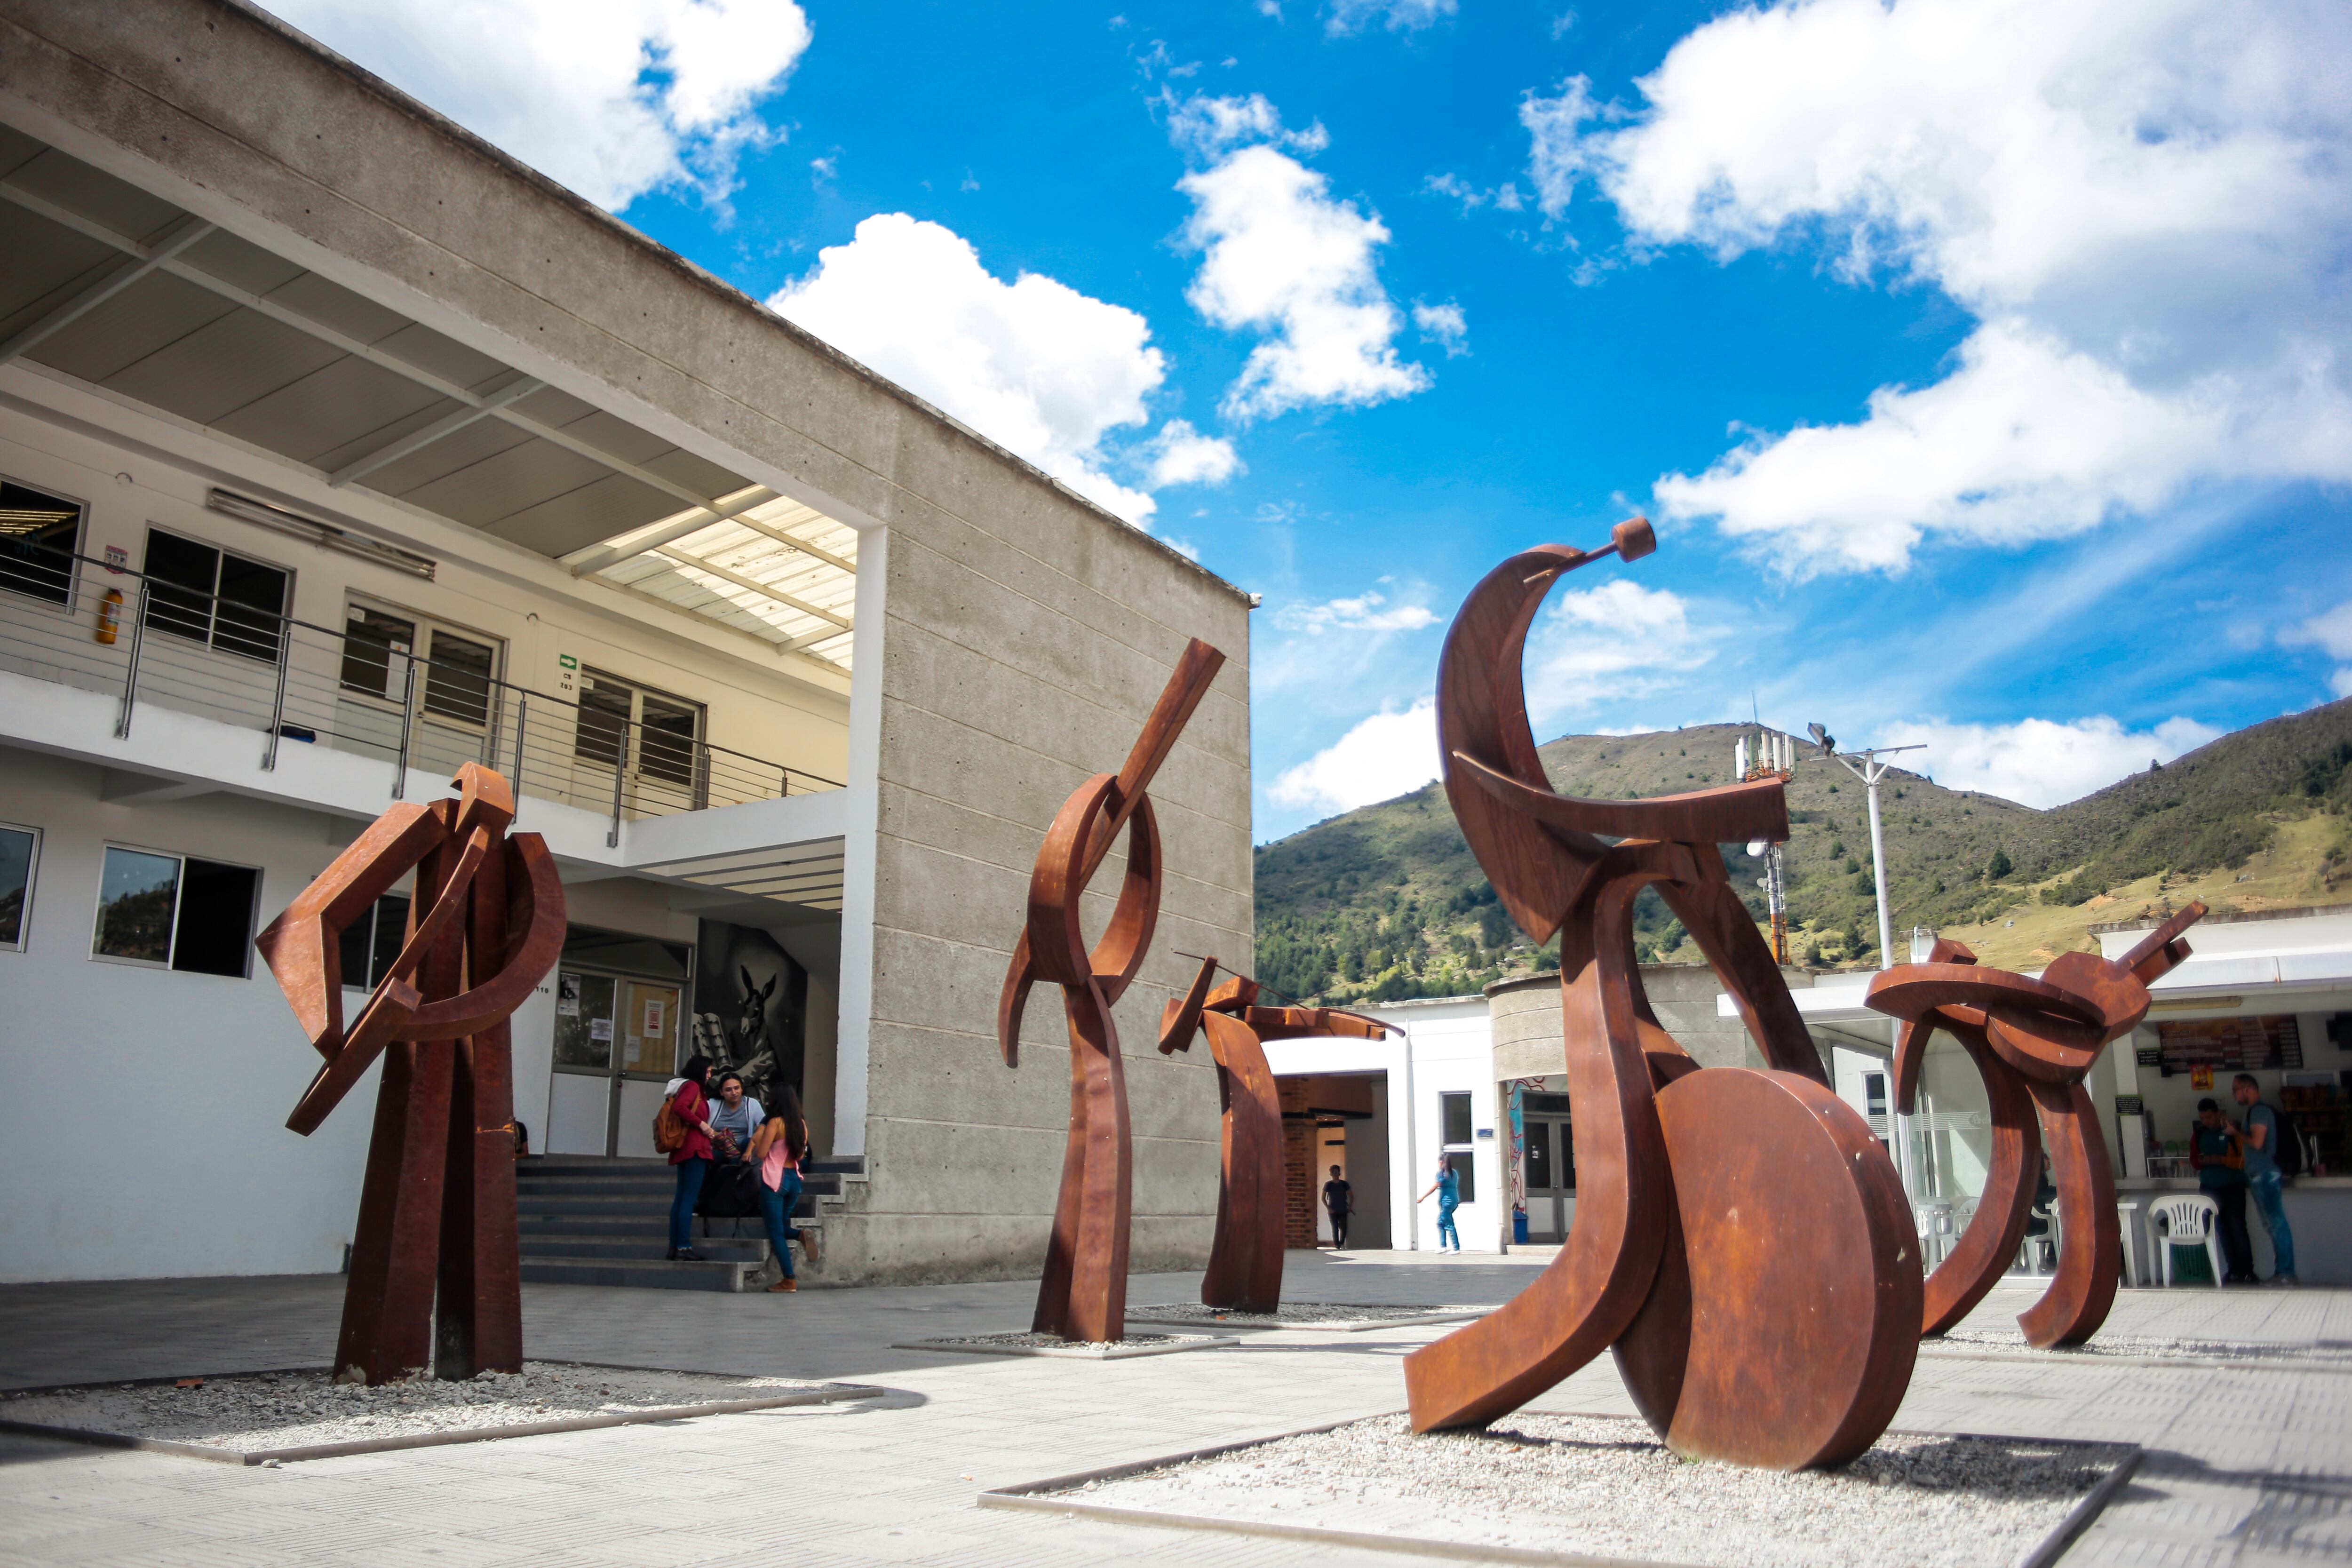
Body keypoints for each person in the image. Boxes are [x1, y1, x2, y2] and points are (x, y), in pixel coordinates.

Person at [750, 1087, 820, 1292]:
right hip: (794, 1180)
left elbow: (762, 1153)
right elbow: (800, 1156)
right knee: (779, 1226)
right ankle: (800, 1235)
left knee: (775, 1232)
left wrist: (759, 1140)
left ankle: (789, 1279)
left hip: (774, 1179)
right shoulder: (801, 1125)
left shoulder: (775, 1123)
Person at [2233, 1073, 2299, 1286]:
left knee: (2277, 1224)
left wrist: (2236, 1132)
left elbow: (2258, 1142)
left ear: (2247, 1089)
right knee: (2273, 1225)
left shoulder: (2259, 1111)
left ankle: (2286, 1273)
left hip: (2265, 1174)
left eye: (2235, 1090)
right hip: (2263, 1174)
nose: (2234, 1095)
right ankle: (2283, 1272)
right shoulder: (2256, 1111)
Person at [2190, 1097, 2254, 1282]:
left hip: (2233, 1186)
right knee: (2222, 1229)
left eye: (2209, 1117)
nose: (2206, 1122)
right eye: (2202, 1118)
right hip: (2210, 1188)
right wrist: (2203, 1161)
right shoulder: (2199, 1134)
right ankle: (2233, 1270)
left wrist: (2221, 1160)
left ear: (2218, 1114)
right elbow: (2194, 1160)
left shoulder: (2232, 1131)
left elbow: (2244, 1161)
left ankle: (2247, 1270)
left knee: (2238, 1228)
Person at [666, 1055, 717, 1261]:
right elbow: (680, 1108)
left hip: (685, 1147)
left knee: (681, 1199)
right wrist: (702, 1125)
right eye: (708, 1071)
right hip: (695, 1148)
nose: (710, 1075)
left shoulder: (686, 1086)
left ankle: (674, 1246)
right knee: (688, 1198)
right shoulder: (693, 1087)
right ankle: (684, 1246)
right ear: (700, 1071)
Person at [706, 1071, 764, 1167]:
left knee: (748, 1143)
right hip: (720, 1148)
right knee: (714, 1157)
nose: (734, 1093)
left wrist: (750, 1150)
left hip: (743, 1149)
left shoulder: (752, 1104)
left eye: (737, 1088)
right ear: (722, 1092)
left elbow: (763, 1127)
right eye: (729, 1090)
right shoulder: (712, 1105)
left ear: (742, 1089)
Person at [1417, 1157, 1462, 1253]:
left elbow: (1435, 1186)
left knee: (1449, 1224)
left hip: (1446, 1202)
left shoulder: (1442, 1174)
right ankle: (1443, 1246)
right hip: (1454, 1200)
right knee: (1440, 1223)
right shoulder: (1454, 1173)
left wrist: (1422, 1197)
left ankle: (1456, 1248)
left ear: (1441, 1162)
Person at [1322, 1165, 1353, 1250]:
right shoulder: (1329, 1184)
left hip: (1343, 1209)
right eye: (1334, 1172)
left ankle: (1342, 1243)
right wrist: (1328, 1208)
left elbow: (1351, 1196)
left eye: (1337, 1172)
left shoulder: (1344, 1184)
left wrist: (1350, 1207)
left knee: (1344, 1228)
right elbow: (1323, 1198)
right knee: (1335, 1228)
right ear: (1331, 1174)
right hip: (1333, 1209)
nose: (1336, 1174)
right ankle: (1337, 1244)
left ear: (1339, 1173)